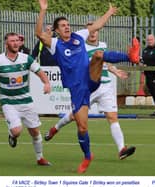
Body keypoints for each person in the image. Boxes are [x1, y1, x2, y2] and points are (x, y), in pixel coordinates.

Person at [35, 0, 139, 173]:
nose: (67, 27)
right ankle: (87, 156)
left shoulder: (79, 36)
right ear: (57, 30)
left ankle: (131, 57)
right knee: (82, 127)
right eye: (62, 26)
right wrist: (43, 10)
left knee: (98, 55)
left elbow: (96, 25)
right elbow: (39, 33)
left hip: (90, 79)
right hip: (77, 90)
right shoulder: (55, 44)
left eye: (68, 24)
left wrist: (109, 12)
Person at [0, 32, 51, 166]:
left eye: (17, 41)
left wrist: (46, 83)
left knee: (35, 132)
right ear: (6, 44)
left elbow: (40, 72)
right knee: (17, 131)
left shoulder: (26, 59)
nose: (15, 43)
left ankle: (40, 158)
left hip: (26, 101)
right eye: (12, 41)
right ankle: (12, 135)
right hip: (8, 102)